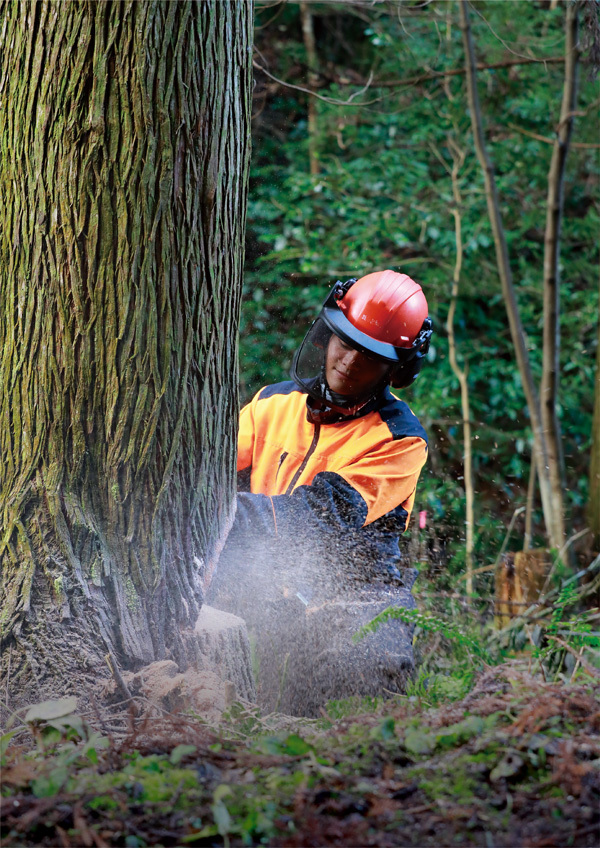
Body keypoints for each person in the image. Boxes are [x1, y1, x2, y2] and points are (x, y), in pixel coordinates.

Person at [208, 269, 433, 716]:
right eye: (345, 343)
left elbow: (325, 514)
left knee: (353, 701)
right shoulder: (273, 404)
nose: (349, 360)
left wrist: (229, 518)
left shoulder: (399, 440)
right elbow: (205, 471)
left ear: (395, 370)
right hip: (270, 587)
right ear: (327, 336)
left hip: (354, 595)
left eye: (368, 356)